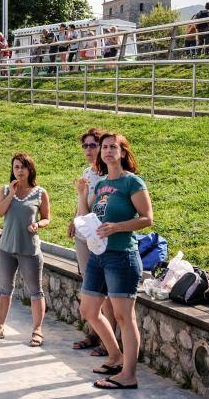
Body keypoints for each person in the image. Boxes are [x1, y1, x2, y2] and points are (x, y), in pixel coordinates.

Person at [75, 132, 152, 390]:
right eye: (104, 147)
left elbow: (146, 218)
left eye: (112, 147)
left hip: (122, 256)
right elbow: (85, 217)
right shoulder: (99, 184)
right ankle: (115, 356)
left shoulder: (132, 183)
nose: (107, 151)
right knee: (88, 310)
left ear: (122, 152)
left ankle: (128, 375)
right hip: (99, 255)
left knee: (123, 316)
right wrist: (81, 194)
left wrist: (117, 227)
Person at [0, 153, 50, 349]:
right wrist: (11, 194)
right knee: (4, 290)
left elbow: (47, 217)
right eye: (16, 167)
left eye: (22, 167)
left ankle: (37, 330)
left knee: (35, 291)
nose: (19, 171)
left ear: (30, 169)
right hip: (6, 248)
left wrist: (38, 224)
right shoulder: (5, 189)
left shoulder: (40, 192)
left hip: (29, 249)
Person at [69, 128, 115, 356]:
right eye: (85, 145)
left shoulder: (108, 176)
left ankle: (109, 342)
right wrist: (73, 220)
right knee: (89, 286)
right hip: (82, 235)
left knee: (103, 289)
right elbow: (82, 203)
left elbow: (95, 208)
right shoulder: (87, 172)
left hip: (98, 237)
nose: (88, 149)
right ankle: (93, 332)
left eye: (93, 145)